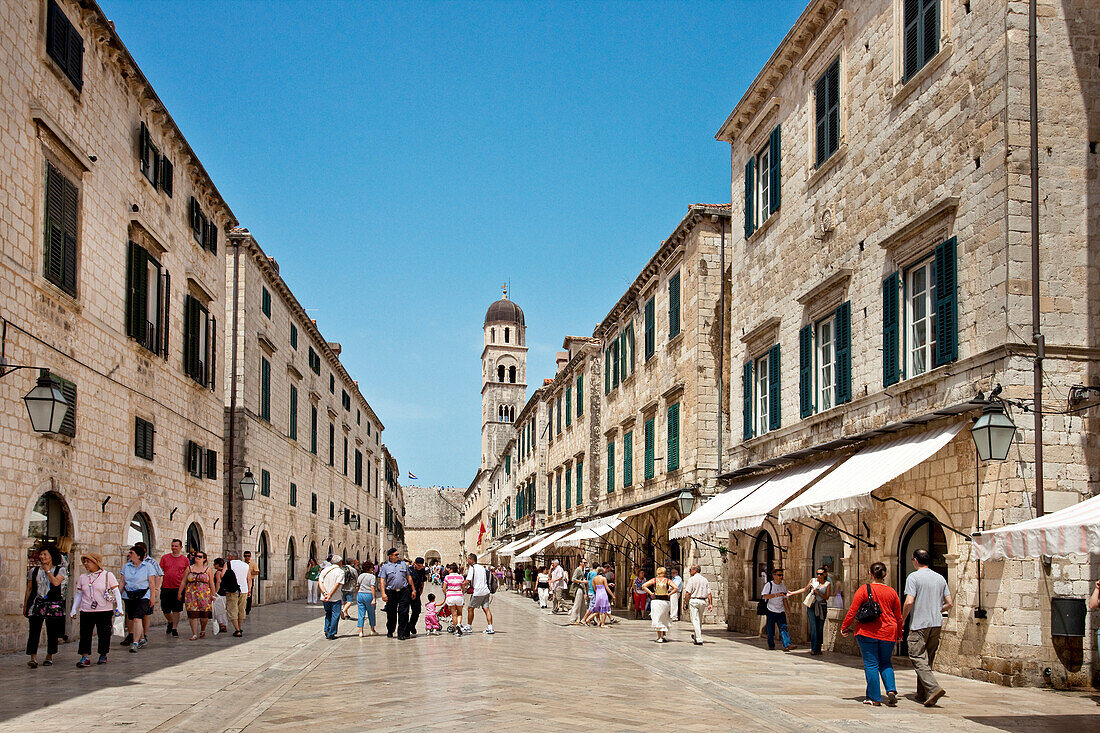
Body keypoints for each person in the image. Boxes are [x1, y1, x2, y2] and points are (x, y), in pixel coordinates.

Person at [841, 561, 903, 707]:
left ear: (870, 573)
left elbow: (853, 610)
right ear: (885, 574)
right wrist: (899, 633)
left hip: (868, 631)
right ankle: (891, 690)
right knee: (886, 662)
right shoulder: (892, 592)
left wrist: (845, 627)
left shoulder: (864, 589)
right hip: (889, 631)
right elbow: (898, 616)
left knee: (871, 664)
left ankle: (874, 697)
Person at [902, 549, 954, 707]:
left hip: (920, 624)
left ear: (916, 560)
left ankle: (933, 688)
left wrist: (902, 619)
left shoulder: (914, 577)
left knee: (917, 657)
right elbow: (950, 603)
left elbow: (909, 601)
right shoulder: (939, 578)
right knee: (927, 659)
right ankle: (922, 693)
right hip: (936, 623)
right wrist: (936, 609)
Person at [69, 551, 122, 667]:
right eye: (85, 562)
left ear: (95, 563)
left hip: (104, 610)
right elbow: (79, 594)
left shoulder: (108, 575)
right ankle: (85, 656)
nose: (86, 564)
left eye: (88, 561)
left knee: (104, 633)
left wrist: (119, 607)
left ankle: (103, 654)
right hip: (86, 609)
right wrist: (73, 609)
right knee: (85, 634)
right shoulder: (83, 577)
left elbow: (116, 591)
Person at [24, 546, 67, 668]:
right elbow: (29, 589)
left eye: (44, 554)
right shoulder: (34, 571)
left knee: (52, 631)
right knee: (34, 630)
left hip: (53, 604)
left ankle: (49, 656)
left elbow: (55, 582)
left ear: (51, 556)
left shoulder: (60, 570)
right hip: (37, 603)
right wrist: (26, 605)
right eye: (41, 554)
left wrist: (48, 571)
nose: (42, 557)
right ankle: (33, 657)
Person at [120, 542, 162, 647]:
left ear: (138, 555)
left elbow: (152, 582)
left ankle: (135, 642)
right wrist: (116, 595)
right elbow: (122, 582)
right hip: (129, 595)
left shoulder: (148, 566)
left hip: (143, 595)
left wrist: (153, 596)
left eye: (131, 552)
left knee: (137, 618)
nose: (129, 554)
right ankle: (142, 638)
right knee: (131, 617)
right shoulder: (126, 566)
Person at [792, 567, 832, 655]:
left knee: (820, 628)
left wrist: (818, 593)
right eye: (817, 573)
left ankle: (818, 648)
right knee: (813, 627)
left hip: (822, 606)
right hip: (812, 606)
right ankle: (813, 649)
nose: (819, 575)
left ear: (825, 574)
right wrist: (792, 593)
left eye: (821, 574)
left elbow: (827, 597)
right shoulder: (813, 581)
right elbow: (805, 589)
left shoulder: (827, 584)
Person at [379, 547, 415, 639]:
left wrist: (413, 589)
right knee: (391, 613)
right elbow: (382, 580)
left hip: (403, 591)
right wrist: (383, 593)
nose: (398, 556)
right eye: (396, 555)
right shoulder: (385, 567)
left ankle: (401, 633)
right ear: (390, 556)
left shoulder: (403, 564)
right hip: (391, 592)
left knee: (403, 612)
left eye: (398, 554)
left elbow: (409, 577)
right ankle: (390, 630)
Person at [180, 551, 215, 640]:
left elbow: (211, 583)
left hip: (204, 595)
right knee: (192, 614)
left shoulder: (208, 570)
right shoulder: (189, 569)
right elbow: (184, 581)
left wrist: (213, 594)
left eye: (199, 556)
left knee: (204, 615)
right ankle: (194, 634)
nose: (197, 557)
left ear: (204, 559)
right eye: (196, 556)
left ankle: (203, 629)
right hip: (191, 594)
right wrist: (180, 592)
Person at [159, 539, 190, 638]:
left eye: (176, 546)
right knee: (165, 609)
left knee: (176, 610)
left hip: (178, 588)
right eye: (172, 546)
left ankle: (174, 628)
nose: (174, 548)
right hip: (166, 587)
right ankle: (170, 621)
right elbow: (160, 572)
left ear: (181, 547)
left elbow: (187, 574)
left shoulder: (185, 560)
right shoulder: (164, 558)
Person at [761, 568, 793, 651]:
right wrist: (775, 595)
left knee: (783, 627)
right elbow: (764, 596)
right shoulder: (769, 585)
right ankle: (771, 645)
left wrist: (787, 610)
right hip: (771, 610)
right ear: (774, 576)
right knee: (770, 630)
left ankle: (787, 645)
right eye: (779, 575)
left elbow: (784, 599)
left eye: (782, 575)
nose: (781, 577)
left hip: (781, 610)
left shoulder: (783, 586)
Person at [464, 552, 495, 634]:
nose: (467, 560)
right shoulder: (482, 568)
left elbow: (468, 580)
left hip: (478, 592)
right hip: (486, 591)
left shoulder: (472, 568)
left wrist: (460, 584)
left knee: (470, 608)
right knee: (486, 609)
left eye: (468, 559)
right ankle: (490, 627)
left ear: (471, 560)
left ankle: (468, 626)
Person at [682, 565, 713, 645]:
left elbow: (688, 592)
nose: (689, 571)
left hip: (694, 600)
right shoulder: (705, 580)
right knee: (699, 619)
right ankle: (696, 636)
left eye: (690, 570)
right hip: (702, 601)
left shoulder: (692, 580)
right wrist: (710, 603)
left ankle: (699, 638)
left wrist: (685, 602)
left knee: (695, 620)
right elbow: (709, 593)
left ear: (695, 570)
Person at [642, 566, 674, 642]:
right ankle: (664, 635)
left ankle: (659, 637)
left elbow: (644, 585)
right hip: (665, 601)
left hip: (656, 601)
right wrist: (669, 594)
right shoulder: (667, 581)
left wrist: (651, 593)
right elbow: (676, 588)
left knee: (658, 617)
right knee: (665, 617)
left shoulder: (655, 580)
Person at [224, 553, 252, 637]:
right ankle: (239, 627)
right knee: (241, 610)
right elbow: (249, 579)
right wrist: (249, 590)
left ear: (230, 557)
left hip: (232, 590)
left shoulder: (228, 564)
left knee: (233, 609)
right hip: (244, 590)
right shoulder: (246, 565)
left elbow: (222, 575)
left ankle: (237, 630)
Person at [318, 555, 345, 640]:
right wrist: (330, 594)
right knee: (335, 614)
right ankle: (331, 633)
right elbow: (337, 584)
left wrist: (325, 593)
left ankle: (327, 629)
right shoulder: (340, 572)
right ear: (340, 562)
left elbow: (320, 582)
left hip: (324, 597)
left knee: (328, 613)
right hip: (335, 597)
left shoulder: (325, 570)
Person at [442, 563, 466, 635]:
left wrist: (446, 594)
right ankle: (459, 624)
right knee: (459, 613)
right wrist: (462, 593)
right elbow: (463, 588)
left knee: (453, 614)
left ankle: (456, 630)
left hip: (450, 596)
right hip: (459, 596)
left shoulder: (447, 577)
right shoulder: (461, 577)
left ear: (451, 570)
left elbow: (444, 588)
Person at [355, 560, 378, 637]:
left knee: (361, 613)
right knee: (371, 613)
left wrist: (358, 594)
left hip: (360, 594)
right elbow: (372, 587)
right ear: (370, 568)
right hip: (369, 595)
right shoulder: (372, 576)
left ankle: (361, 631)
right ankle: (372, 630)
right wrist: (374, 598)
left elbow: (357, 586)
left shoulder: (360, 576)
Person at [408, 557, 428, 636]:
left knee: (417, 610)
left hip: (417, 591)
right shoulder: (409, 570)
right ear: (415, 563)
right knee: (405, 611)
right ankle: (406, 628)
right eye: (419, 566)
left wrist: (421, 589)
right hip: (408, 591)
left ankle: (412, 625)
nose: (420, 568)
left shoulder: (422, 570)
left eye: (421, 566)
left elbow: (423, 580)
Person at [566, 558, 588, 625]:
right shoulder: (578, 569)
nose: (585, 564)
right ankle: (573, 619)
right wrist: (582, 581)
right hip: (578, 588)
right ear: (580, 563)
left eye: (586, 563)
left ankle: (582, 619)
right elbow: (573, 579)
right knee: (577, 604)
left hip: (581, 588)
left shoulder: (582, 570)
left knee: (583, 605)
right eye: (584, 563)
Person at [212, 558, 229, 633]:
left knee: (219, 610)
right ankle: (224, 624)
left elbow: (218, 582)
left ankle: (222, 624)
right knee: (223, 609)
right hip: (225, 593)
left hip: (220, 594)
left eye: (215, 563)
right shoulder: (226, 571)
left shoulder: (218, 572)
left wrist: (215, 592)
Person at [243, 550, 260, 615]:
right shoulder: (242, 563)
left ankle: (248, 609)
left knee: (249, 594)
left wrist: (249, 573)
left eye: (248, 556)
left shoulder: (253, 563)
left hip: (250, 580)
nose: (247, 557)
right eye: (245, 556)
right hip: (243, 580)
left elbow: (257, 572)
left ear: (250, 556)